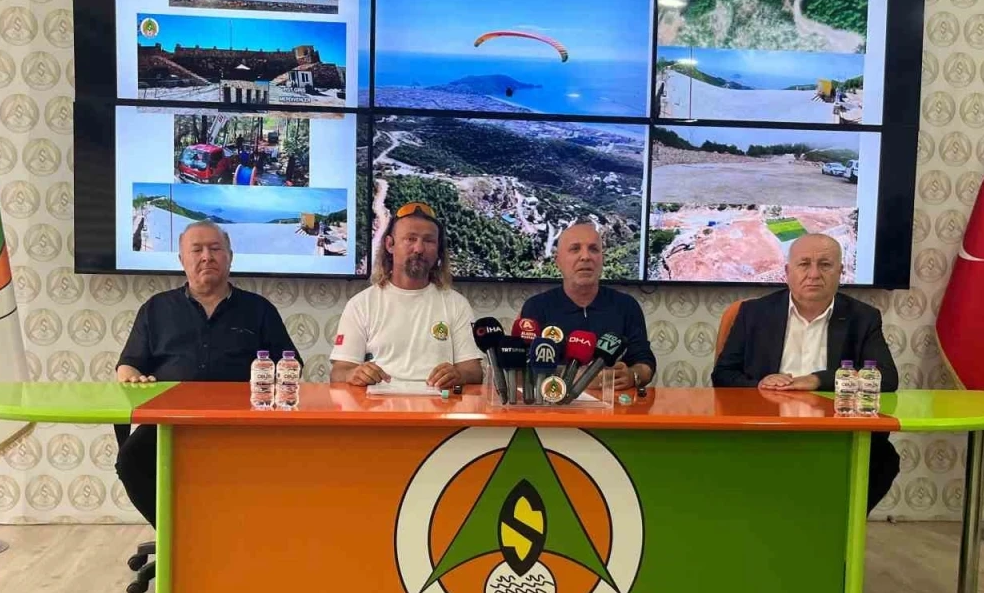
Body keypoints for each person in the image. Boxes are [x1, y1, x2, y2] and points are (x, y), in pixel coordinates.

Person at [115, 221, 299, 528]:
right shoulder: (156, 309)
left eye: (215, 249)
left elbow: (290, 366)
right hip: (170, 423)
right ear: (181, 259)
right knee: (130, 461)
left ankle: (233, 537)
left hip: (242, 425)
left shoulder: (259, 310)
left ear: (230, 256)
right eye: (197, 250)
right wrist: (131, 376)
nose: (206, 257)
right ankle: (179, 535)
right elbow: (128, 365)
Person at [711, 233, 901, 513]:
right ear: (787, 272)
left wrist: (818, 379)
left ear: (840, 271)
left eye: (825, 265)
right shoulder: (754, 313)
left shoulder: (863, 317)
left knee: (884, 460)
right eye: (804, 264)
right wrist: (760, 383)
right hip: (764, 430)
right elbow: (722, 375)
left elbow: (886, 377)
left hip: (836, 433)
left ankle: (835, 530)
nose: (814, 274)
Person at [330, 201, 483, 390]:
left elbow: (473, 371)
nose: (419, 248)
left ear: (438, 250)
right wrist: (353, 374)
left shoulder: (456, 304)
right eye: (410, 239)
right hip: (378, 406)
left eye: (429, 241)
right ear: (390, 245)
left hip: (440, 405)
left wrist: (459, 375)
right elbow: (338, 372)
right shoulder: (361, 304)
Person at [519, 222, 656, 392]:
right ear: (558, 261)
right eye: (575, 249)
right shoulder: (536, 307)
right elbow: (524, 367)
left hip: (613, 404)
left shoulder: (626, 306)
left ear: (602, 259)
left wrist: (633, 375)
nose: (585, 256)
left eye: (593, 249)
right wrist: (579, 377)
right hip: (555, 402)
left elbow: (645, 362)